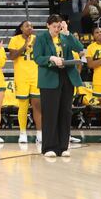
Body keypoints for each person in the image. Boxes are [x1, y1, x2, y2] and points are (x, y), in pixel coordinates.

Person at [33, 16, 85, 157]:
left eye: (59, 27)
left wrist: (67, 33)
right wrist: (51, 58)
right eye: (54, 26)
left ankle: (63, 146)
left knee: (65, 112)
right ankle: (49, 147)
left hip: (66, 77)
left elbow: (80, 48)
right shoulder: (41, 38)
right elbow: (37, 57)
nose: (57, 29)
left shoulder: (65, 36)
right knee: (50, 113)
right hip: (49, 78)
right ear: (48, 25)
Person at [8, 20, 42, 144]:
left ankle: (40, 134)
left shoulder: (37, 39)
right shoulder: (15, 40)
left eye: (31, 26)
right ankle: (22, 133)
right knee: (23, 106)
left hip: (35, 76)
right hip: (21, 77)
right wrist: (24, 46)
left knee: (37, 106)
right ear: (21, 28)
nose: (30, 27)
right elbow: (12, 57)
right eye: (27, 26)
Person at [85, 27, 101, 131]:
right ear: (93, 36)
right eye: (97, 32)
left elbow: (94, 63)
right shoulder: (90, 48)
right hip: (99, 80)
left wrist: (98, 62)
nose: (100, 33)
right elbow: (90, 65)